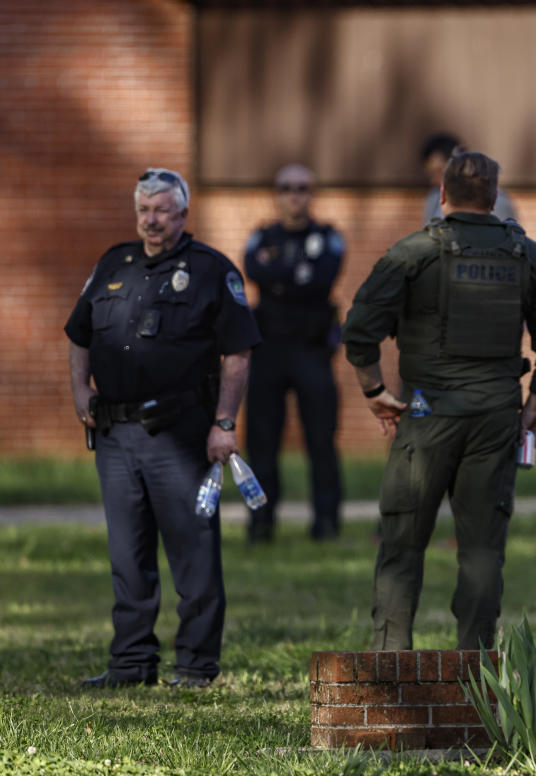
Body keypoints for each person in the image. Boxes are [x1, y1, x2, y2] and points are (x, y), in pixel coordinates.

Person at [342, 151, 536, 650]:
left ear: (442, 194)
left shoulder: (412, 253)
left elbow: (360, 328)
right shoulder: (525, 255)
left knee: (403, 542)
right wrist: (534, 408)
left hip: (426, 417)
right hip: (496, 419)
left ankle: (393, 665)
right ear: (494, 198)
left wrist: (374, 392)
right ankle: (476, 665)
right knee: (482, 549)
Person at [66, 168, 261, 688]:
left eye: (162, 211)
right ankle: (131, 663)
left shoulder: (211, 271)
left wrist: (224, 423)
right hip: (115, 436)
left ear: (183, 214)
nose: (151, 220)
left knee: (193, 552)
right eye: (144, 210)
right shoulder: (114, 263)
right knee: (127, 556)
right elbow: (79, 332)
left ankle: (196, 666)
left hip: (180, 434)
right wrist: (80, 389)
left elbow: (238, 354)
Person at [242, 164, 345, 542]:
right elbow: (253, 271)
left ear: (311, 193)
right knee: (262, 441)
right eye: (286, 188)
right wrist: (296, 274)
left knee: (321, 440)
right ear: (277, 193)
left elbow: (322, 279)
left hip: (311, 350)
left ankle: (326, 523)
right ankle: (261, 523)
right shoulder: (261, 237)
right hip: (269, 351)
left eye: (301, 187)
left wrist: (282, 276)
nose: (294, 195)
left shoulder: (329, 237)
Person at [420, 133, 517, 225]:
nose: (433, 180)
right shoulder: (434, 198)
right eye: (430, 174)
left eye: (439, 171)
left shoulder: (495, 201)